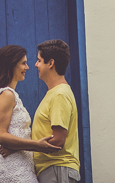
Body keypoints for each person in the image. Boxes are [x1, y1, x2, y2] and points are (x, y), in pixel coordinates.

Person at [0, 44, 61, 183]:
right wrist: (36, 145)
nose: (27, 67)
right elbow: (0, 136)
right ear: (11, 64)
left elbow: (17, 134)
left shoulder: (10, 95)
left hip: (22, 166)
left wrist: (15, 147)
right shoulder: (7, 94)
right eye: (23, 63)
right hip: (15, 171)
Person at [30, 39, 80, 183]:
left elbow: (57, 141)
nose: (36, 64)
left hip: (58, 169)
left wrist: (21, 148)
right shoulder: (54, 93)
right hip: (53, 171)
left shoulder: (59, 95)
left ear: (50, 63)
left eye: (39, 60)